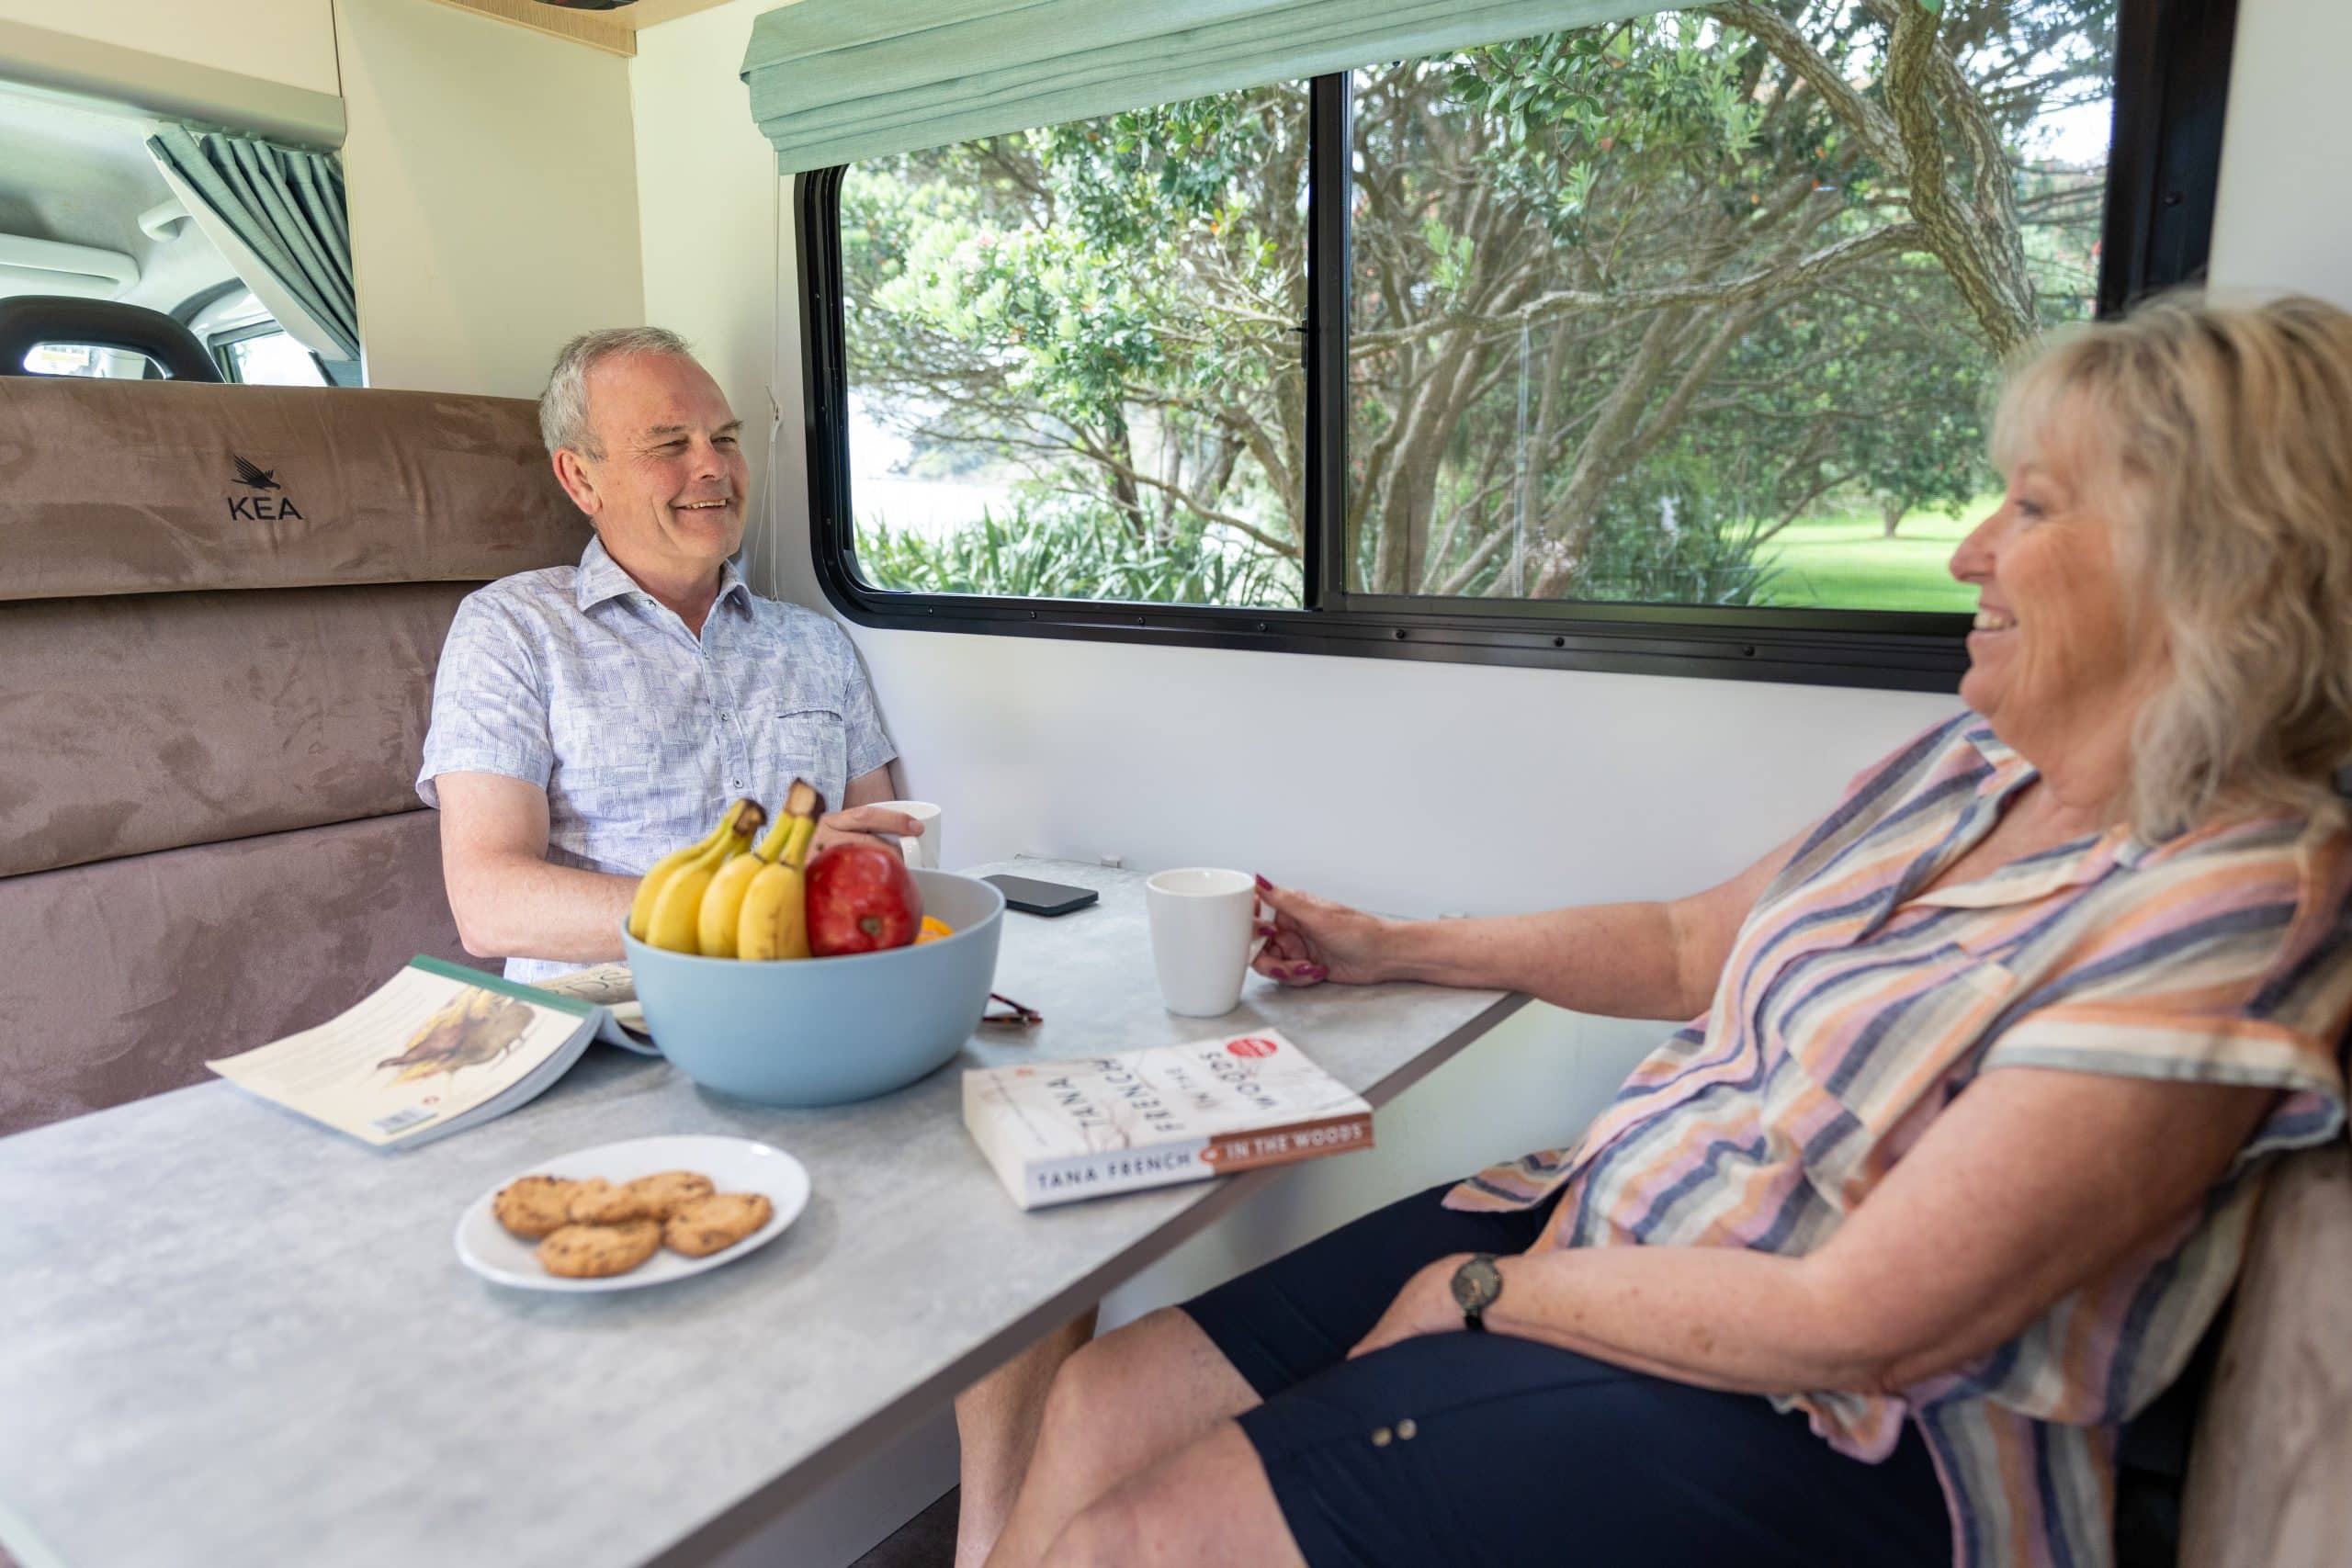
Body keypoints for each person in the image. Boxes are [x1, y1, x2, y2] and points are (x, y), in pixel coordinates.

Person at [969, 293, 2352, 1568]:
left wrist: (1481, 1291)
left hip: (1825, 1423)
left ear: (2214, 568)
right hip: (1604, 1208)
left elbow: (1858, 1323)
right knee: (1102, 1399)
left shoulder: (2230, 902)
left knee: (1137, 1540)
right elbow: (1695, 944)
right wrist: (1390, 946)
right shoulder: (1973, 765)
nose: (1965, 551)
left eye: (2032, 505)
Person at [418, 327, 917, 980]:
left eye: (726, 439)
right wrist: (747, 903)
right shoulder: (512, 629)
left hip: (809, 998)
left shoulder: (817, 643)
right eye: (670, 444)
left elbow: (878, 849)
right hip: (608, 1019)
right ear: (580, 478)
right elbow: (490, 905)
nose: (714, 466)